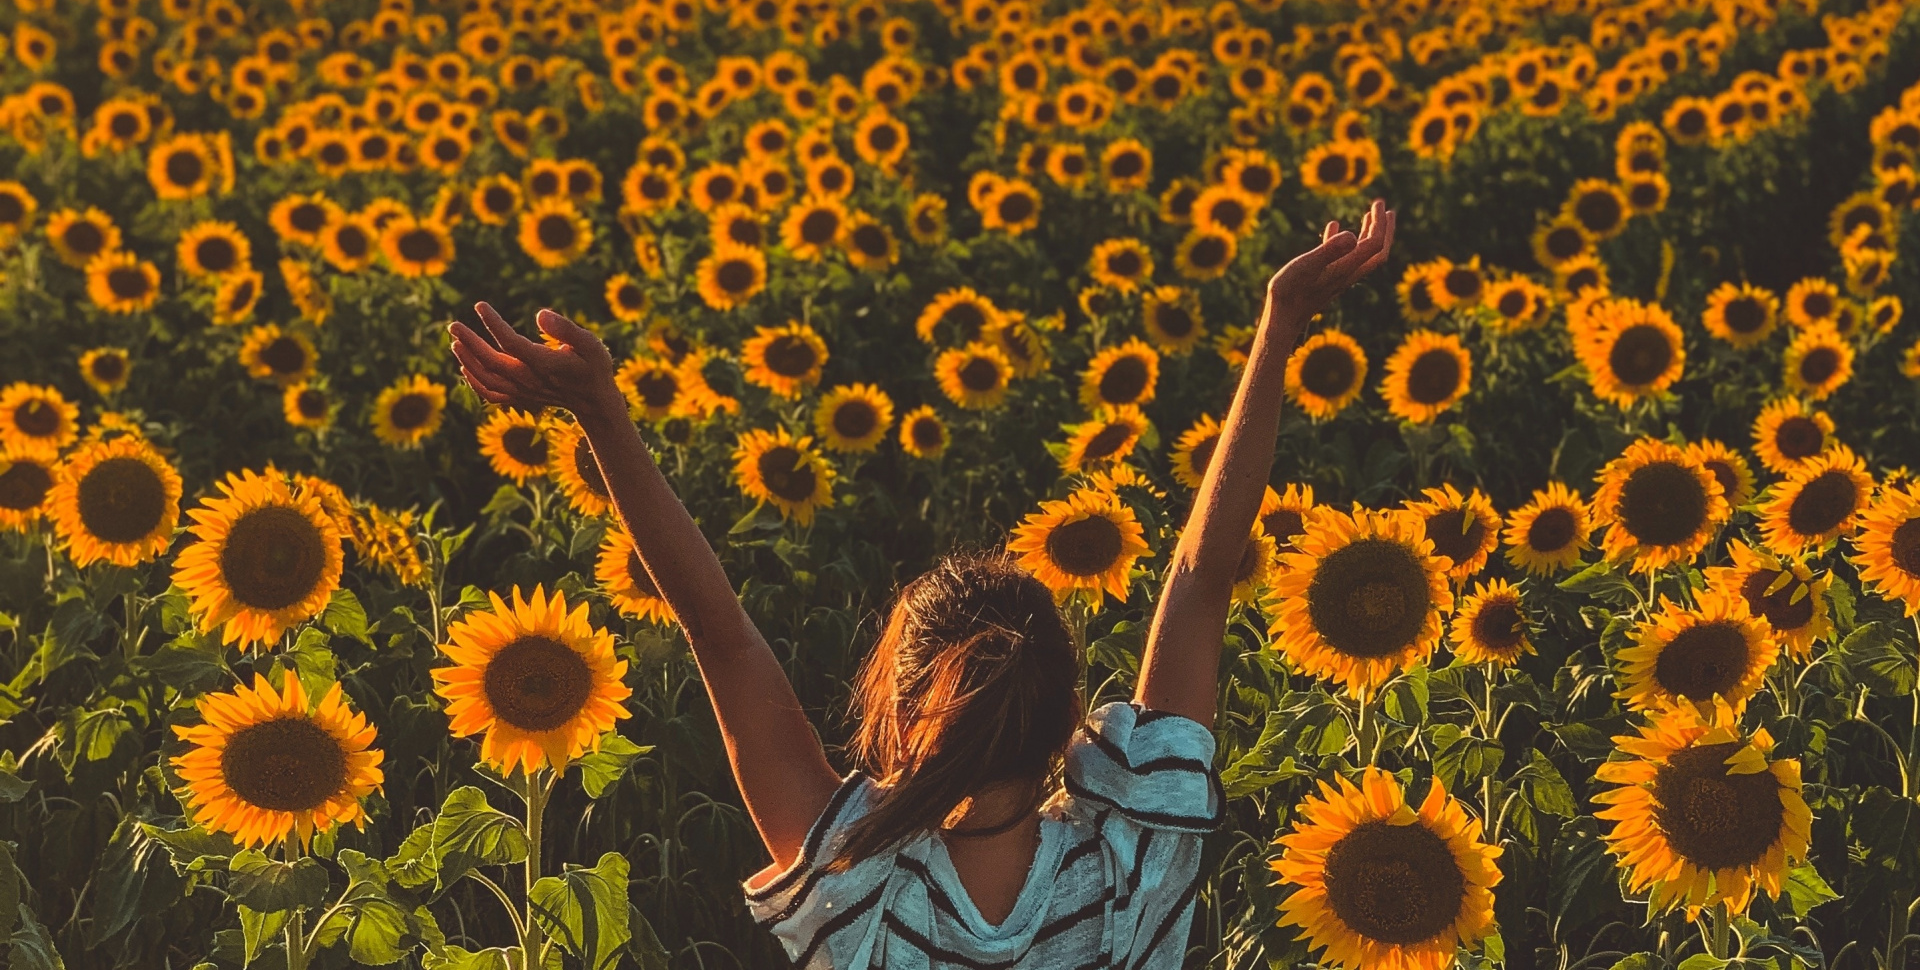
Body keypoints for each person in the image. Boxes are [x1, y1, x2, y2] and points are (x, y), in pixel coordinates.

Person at [447, 200, 1394, 969]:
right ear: (1069, 715)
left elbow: (721, 635)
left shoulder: (859, 888)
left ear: (900, 718)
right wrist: (1278, 327)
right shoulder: (1130, 864)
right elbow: (1198, 579)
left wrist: (601, 414)